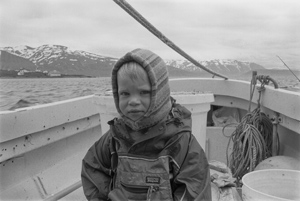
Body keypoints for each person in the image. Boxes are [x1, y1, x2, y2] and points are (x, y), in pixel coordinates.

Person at [81, 48, 211, 201]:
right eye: (125, 93)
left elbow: (196, 186)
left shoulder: (179, 140)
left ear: (160, 94)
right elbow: (92, 168)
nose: (133, 101)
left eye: (144, 92)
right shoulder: (114, 138)